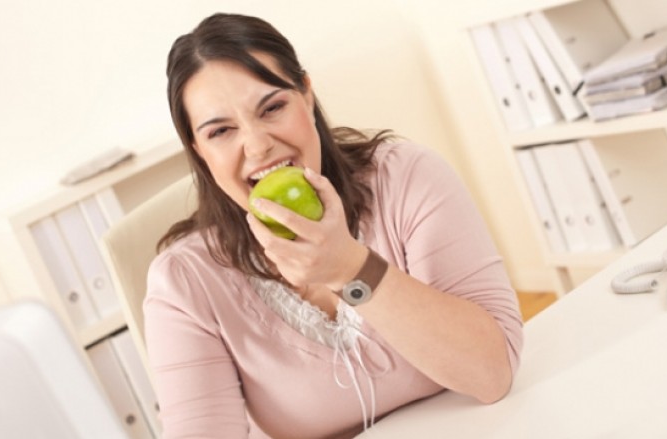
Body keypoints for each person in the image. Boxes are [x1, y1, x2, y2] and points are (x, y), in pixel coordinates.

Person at [144, 12, 524, 439]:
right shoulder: (184, 282)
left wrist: (351, 269)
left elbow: (493, 373)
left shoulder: (406, 178)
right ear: (198, 149)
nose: (257, 144)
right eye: (220, 131)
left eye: (272, 108)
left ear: (306, 95)